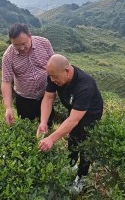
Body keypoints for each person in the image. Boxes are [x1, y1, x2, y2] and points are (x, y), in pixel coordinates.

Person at [37, 54, 104, 192]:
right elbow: (48, 98)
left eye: (55, 78)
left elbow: (74, 119)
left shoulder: (85, 86)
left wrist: (51, 138)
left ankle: (81, 177)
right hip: (74, 110)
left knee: (86, 148)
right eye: (50, 77)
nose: (52, 80)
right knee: (72, 140)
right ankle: (71, 166)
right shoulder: (54, 74)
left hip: (90, 116)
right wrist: (43, 122)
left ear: (67, 71)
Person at [1, 23, 55, 126]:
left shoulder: (44, 43)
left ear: (29, 36)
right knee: (27, 127)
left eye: (23, 43)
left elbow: (54, 65)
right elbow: (6, 82)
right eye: (16, 45)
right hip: (24, 100)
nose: (21, 48)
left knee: (48, 125)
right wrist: (8, 107)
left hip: (46, 96)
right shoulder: (8, 56)